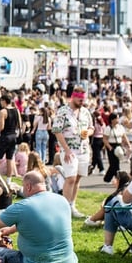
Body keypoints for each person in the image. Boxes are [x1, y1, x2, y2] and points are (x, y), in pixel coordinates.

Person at [0, 171, 78, 263]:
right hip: (67, 262)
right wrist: (11, 229)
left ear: (28, 186)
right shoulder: (62, 200)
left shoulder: (23, 206)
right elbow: (41, 222)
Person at [51, 87, 93, 218]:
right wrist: (66, 150)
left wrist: (88, 133)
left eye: (83, 99)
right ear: (73, 97)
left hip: (83, 149)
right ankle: (65, 207)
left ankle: (72, 205)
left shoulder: (85, 112)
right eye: (80, 99)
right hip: (69, 149)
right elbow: (57, 131)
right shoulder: (63, 111)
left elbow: (91, 127)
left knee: (78, 177)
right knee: (70, 178)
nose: (82, 102)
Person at [102, 112, 130, 183]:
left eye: (118, 118)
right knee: (114, 164)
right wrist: (109, 147)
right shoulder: (108, 128)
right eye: (116, 118)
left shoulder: (120, 127)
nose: (118, 120)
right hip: (111, 146)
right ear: (112, 120)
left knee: (115, 163)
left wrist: (128, 144)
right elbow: (105, 139)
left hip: (119, 146)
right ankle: (118, 179)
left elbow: (124, 136)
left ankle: (107, 178)